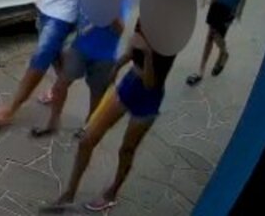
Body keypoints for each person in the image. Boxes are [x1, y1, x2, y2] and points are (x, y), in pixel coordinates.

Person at [46, 22, 175, 212]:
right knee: (87, 139)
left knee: (126, 149)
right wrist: (116, 67)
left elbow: (150, 84)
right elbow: (132, 51)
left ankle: (113, 192)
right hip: (128, 85)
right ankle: (69, 193)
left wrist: (148, 53)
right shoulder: (145, 20)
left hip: (149, 97)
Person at [31, 0, 128, 138]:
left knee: (97, 93)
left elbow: (120, 30)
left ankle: (88, 125)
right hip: (79, 49)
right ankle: (53, 123)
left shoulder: (119, 0)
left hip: (104, 56)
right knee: (61, 84)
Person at [186, 0, 257, 86]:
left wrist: (240, 8)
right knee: (210, 35)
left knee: (217, 35)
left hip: (231, 3)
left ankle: (223, 53)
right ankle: (200, 71)